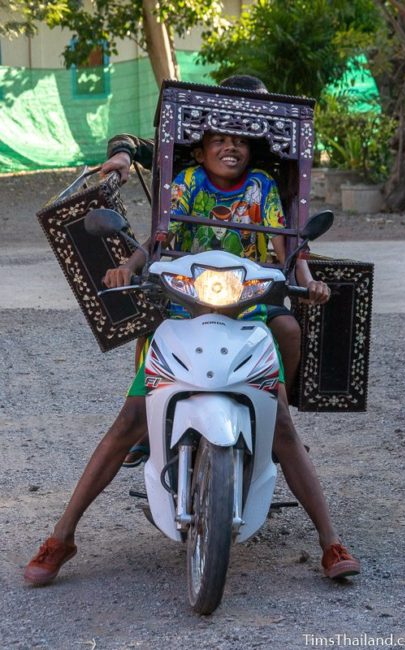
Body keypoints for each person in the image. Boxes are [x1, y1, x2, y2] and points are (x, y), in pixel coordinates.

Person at [24, 79, 360, 586]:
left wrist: (307, 284)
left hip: (246, 307)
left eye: (242, 139)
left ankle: (330, 541)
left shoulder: (264, 189)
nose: (232, 145)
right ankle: (63, 535)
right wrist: (128, 264)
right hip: (184, 306)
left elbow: (287, 248)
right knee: (129, 419)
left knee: (283, 418)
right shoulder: (181, 181)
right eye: (221, 137)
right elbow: (159, 238)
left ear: (255, 143)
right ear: (200, 144)